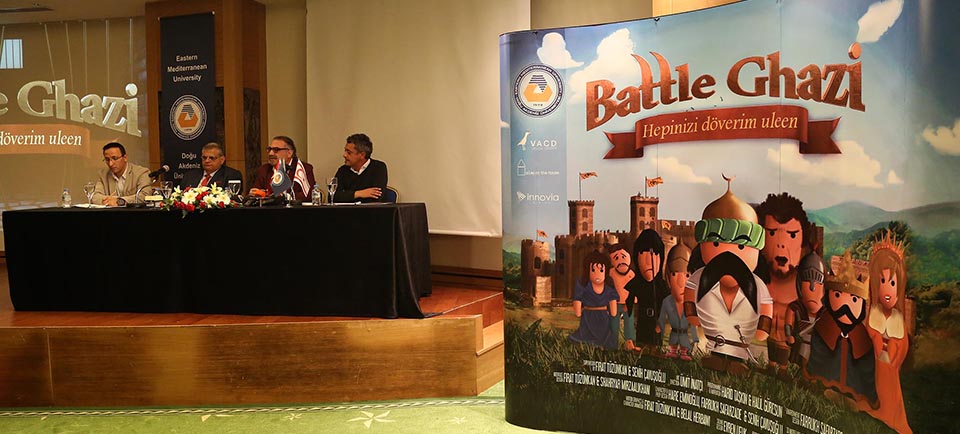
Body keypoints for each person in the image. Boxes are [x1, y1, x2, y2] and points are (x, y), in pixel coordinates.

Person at [684, 175, 773, 376]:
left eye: (741, 246)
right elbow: (690, 294)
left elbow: (766, 307)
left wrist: (763, 326)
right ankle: (717, 359)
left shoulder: (757, 285)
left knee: (736, 362)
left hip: (741, 342)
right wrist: (691, 312)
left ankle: (736, 363)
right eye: (716, 243)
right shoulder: (700, 278)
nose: (728, 256)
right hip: (714, 339)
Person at [806, 252, 878, 410]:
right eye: (838, 295)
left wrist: (870, 395)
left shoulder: (862, 336)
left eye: (854, 299)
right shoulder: (824, 326)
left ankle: (850, 397)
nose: (845, 307)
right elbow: (817, 357)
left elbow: (867, 369)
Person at [755, 192, 811, 378]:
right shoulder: (760, 280)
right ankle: (771, 366)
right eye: (772, 233)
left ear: (803, 245)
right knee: (772, 347)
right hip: (769, 332)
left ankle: (784, 370)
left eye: (792, 235)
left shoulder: (801, 284)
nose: (781, 244)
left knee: (783, 349)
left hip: (787, 334)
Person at [865, 230, 912, 433]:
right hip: (874, 365)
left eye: (892, 283)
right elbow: (868, 335)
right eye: (882, 281)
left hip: (890, 367)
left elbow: (903, 345)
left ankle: (891, 416)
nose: (886, 289)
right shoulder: (873, 313)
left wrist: (895, 352)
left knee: (891, 394)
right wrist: (874, 339)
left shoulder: (898, 319)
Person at [624, 229, 669, 349]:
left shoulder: (661, 286)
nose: (649, 261)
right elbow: (628, 304)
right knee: (642, 344)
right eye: (643, 255)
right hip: (642, 321)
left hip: (656, 322)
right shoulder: (636, 283)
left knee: (655, 345)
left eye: (655, 255)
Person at [568, 250, 619, 349]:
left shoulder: (608, 285)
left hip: (603, 316)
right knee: (586, 337)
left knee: (605, 337)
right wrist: (578, 311)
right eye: (593, 270)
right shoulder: (583, 283)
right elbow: (577, 299)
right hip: (588, 316)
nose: (597, 274)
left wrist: (613, 312)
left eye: (601, 270)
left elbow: (612, 302)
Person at [658, 243, 698, 360]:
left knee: (685, 344)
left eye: (687, 275)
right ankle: (673, 351)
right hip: (673, 334)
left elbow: (693, 324)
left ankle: (685, 353)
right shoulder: (667, 301)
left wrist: (695, 338)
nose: (681, 283)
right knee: (673, 342)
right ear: (668, 277)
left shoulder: (691, 303)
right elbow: (662, 318)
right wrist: (659, 328)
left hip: (685, 336)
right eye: (674, 274)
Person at [252, 136, 316, 201]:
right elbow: (256, 193)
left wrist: (285, 197)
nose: (270, 153)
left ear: (289, 153)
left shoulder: (303, 169)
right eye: (269, 149)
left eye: (276, 150)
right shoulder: (264, 169)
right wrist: (254, 194)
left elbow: (310, 194)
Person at [90, 142, 152, 207]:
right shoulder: (103, 174)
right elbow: (94, 196)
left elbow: (145, 196)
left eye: (115, 158)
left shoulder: (142, 172)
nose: (110, 164)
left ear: (125, 157)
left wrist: (120, 201)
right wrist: (109, 201)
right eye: (107, 159)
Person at [332, 133, 388, 203]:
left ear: (362, 155)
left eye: (349, 152)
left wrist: (347, 196)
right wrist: (358, 194)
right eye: (345, 151)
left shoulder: (378, 168)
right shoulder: (343, 170)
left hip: (370, 210)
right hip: (346, 210)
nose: (344, 155)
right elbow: (333, 197)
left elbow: (376, 197)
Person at [607, 243, 637, 350]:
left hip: (627, 303)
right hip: (614, 303)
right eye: (616, 258)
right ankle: (612, 343)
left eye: (623, 257)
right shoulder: (611, 273)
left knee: (629, 322)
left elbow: (634, 290)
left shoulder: (632, 274)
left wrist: (631, 302)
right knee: (613, 322)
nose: (620, 261)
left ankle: (629, 342)